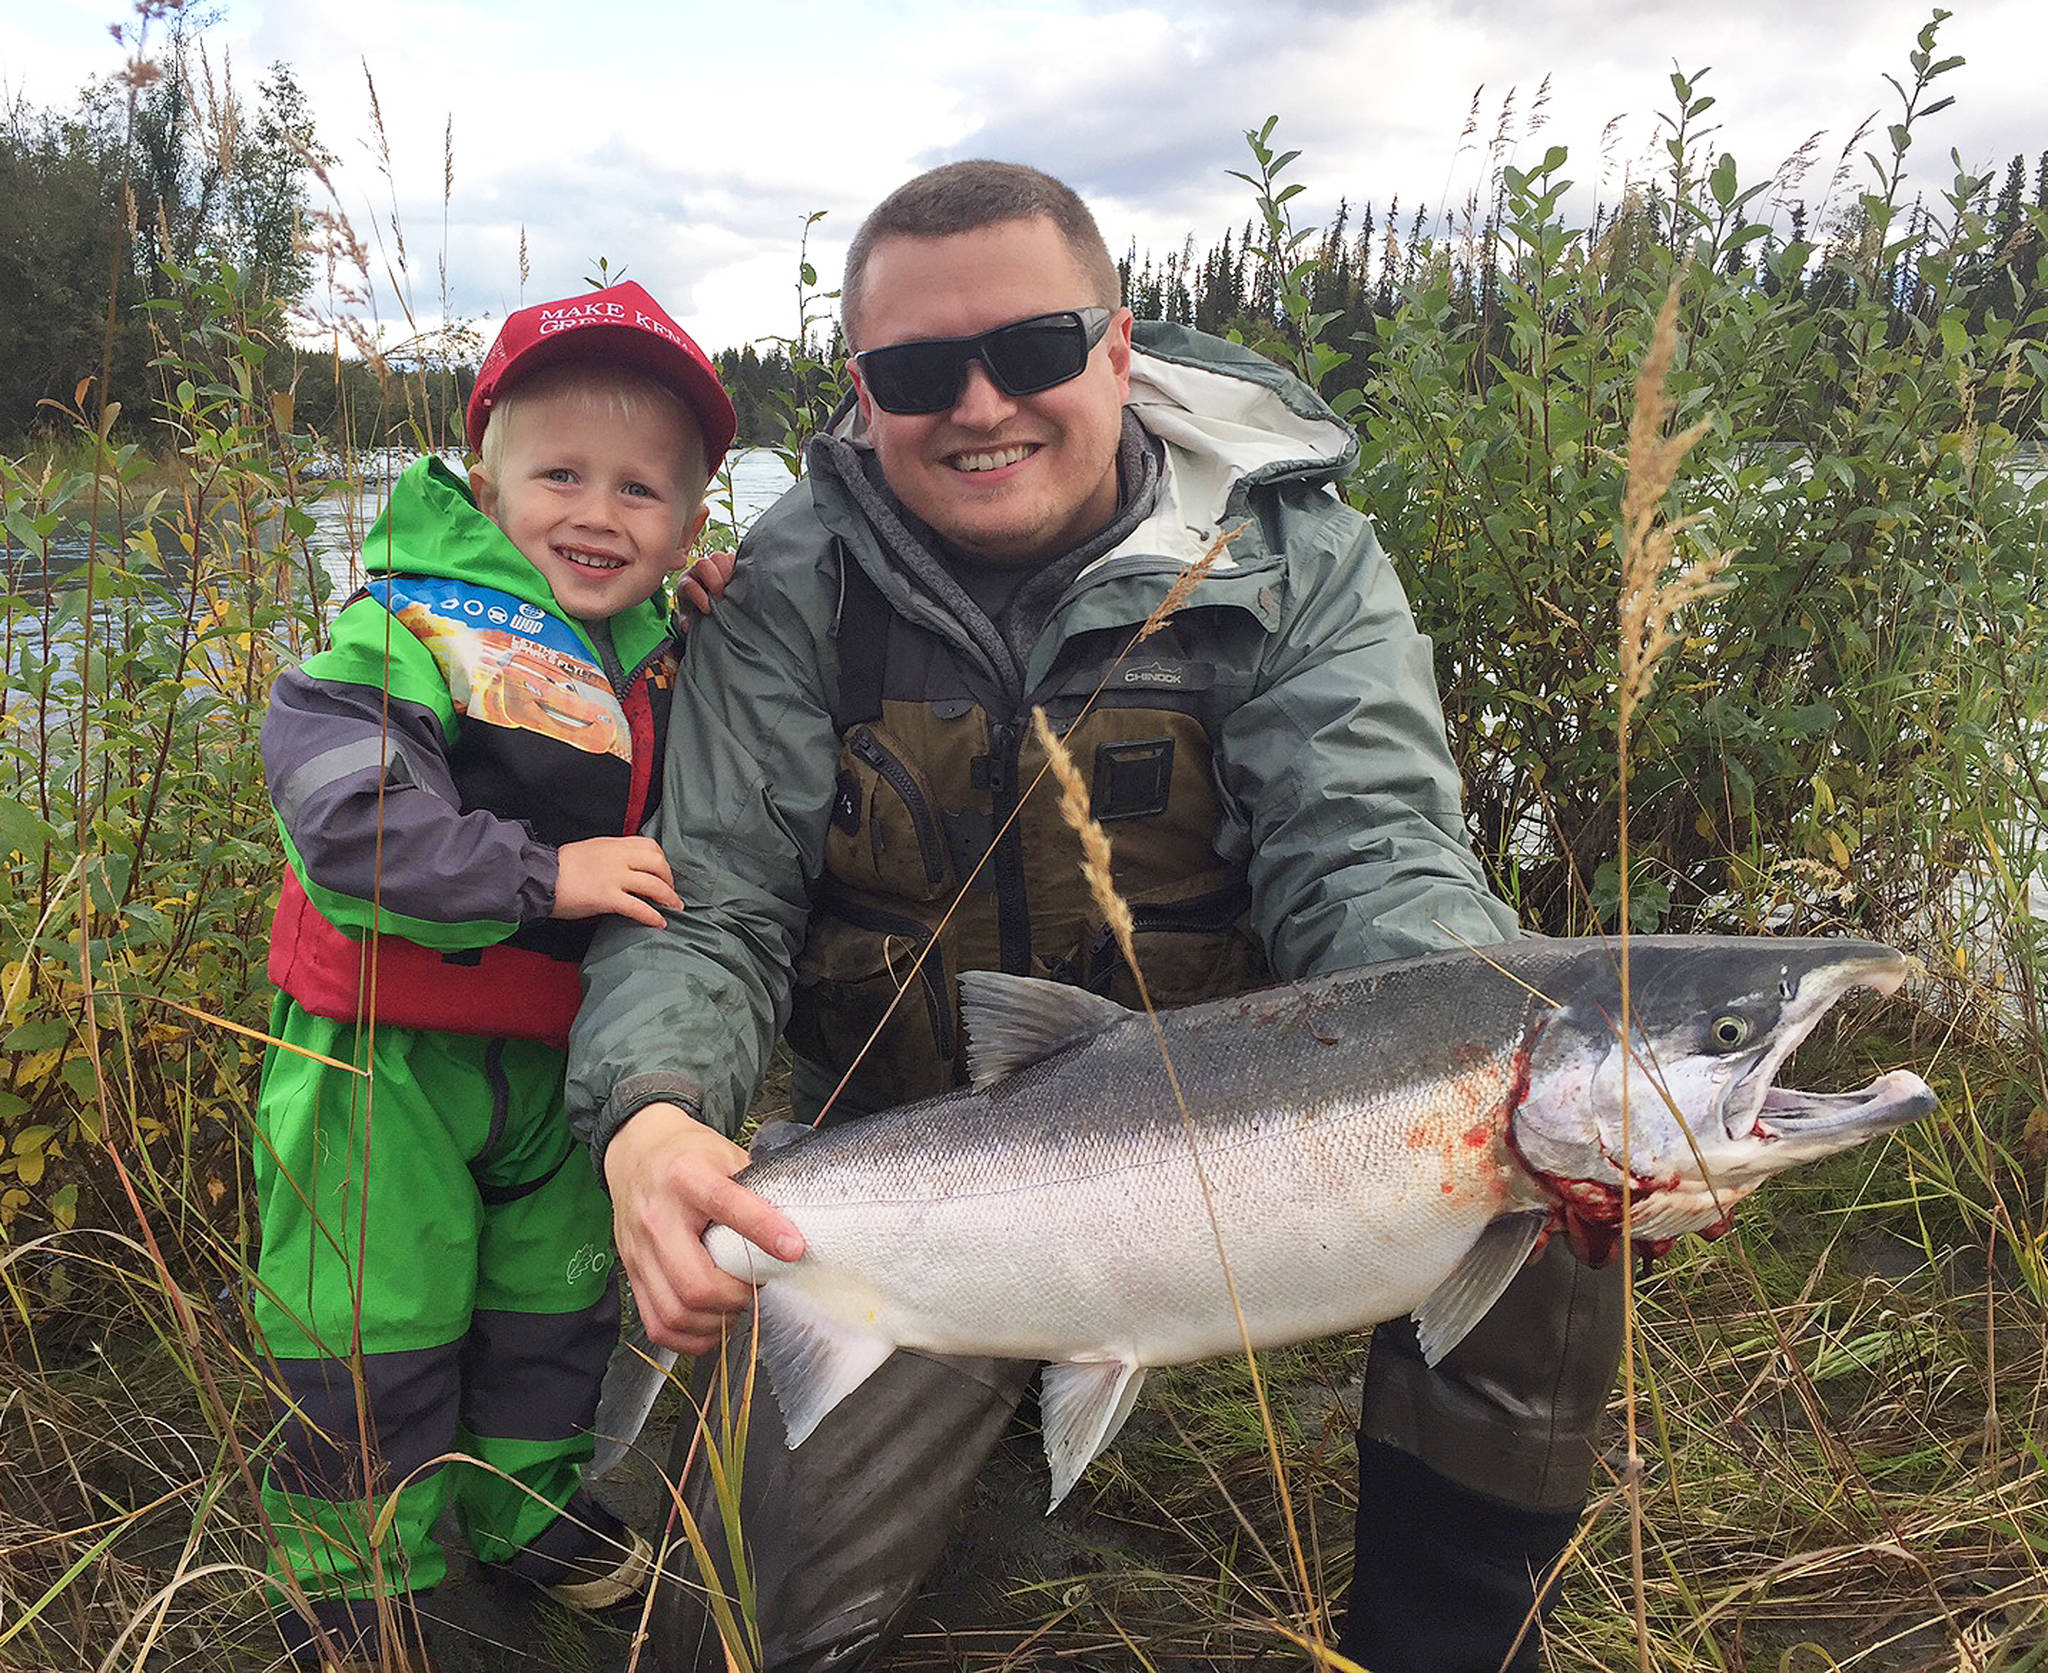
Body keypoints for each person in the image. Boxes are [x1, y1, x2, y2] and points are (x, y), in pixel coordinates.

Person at [567, 163, 1624, 1673]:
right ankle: (951, 1405)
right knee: (730, 1627)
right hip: (907, 1180)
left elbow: (1371, 865)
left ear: (1121, 348)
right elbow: (710, 906)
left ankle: (1449, 1640)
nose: (982, 402)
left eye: (1038, 350)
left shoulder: (1293, 563)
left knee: (1564, 1159)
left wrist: (1504, 1051)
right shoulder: (783, 590)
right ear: (864, 392)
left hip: (1247, 1164)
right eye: (922, 371)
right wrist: (654, 1120)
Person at [250, 279, 737, 1670]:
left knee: (552, 1303)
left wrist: (718, 615)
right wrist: (548, 877)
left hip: (548, 1064)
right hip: (381, 1068)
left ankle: (529, 1513)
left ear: (691, 524)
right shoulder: (402, 631)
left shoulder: (650, 648)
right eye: (562, 474)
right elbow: (347, 817)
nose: (599, 512)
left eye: (642, 490)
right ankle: (356, 1588)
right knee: (369, 1322)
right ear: (486, 481)